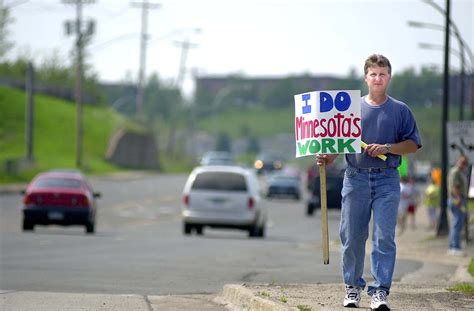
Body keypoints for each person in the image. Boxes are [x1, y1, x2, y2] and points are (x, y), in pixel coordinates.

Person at [316, 54, 421, 311]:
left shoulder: (400, 110)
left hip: (387, 179)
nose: (377, 78)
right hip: (355, 177)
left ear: (389, 77)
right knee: (352, 236)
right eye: (373, 74)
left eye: (382, 74)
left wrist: (387, 147)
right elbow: (338, 146)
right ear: (366, 77)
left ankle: (380, 292)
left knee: (384, 237)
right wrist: (326, 157)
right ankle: (352, 287)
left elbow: (412, 144)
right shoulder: (350, 109)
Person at [447, 155, 469, 256]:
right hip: (457, 200)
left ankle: (453, 246)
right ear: (458, 161)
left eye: (465, 162)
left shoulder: (460, 172)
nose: (464, 164)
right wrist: (459, 199)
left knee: (457, 223)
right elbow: (455, 187)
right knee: (457, 223)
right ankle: (455, 247)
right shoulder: (456, 172)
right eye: (462, 162)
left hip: (459, 199)